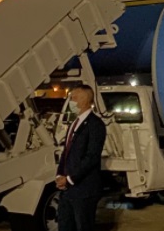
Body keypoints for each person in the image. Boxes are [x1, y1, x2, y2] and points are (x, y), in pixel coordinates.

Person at [54, 85, 106, 231]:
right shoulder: (73, 123)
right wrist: (60, 175)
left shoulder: (96, 124)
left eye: (74, 98)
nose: (71, 101)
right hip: (67, 190)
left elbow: (91, 157)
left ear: (84, 100)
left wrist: (70, 178)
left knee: (83, 226)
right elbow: (66, 152)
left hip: (84, 190)